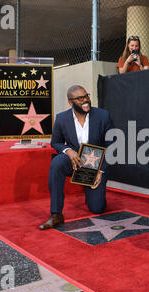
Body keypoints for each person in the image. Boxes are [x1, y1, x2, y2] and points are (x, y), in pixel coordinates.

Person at [39, 85, 113, 230]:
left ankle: (91, 191)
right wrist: (68, 150)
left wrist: (100, 171)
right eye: (80, 98)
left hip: (94, 164)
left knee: (97, 208)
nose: (86, 100)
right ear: (70, 102)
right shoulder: (61, 118)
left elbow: (112, 145)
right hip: (74, 161)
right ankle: (56, 214)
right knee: (57, 163)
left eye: (87, 96)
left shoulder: (103, 115)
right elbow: (56, 142)